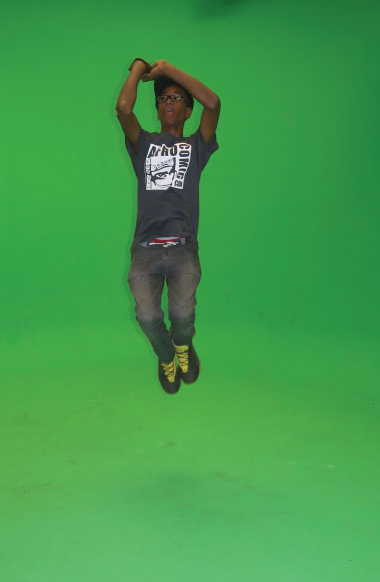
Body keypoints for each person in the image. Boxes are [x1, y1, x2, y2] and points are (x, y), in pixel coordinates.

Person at [116, 58, 220, 394]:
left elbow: (213, 103)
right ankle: (166, 358)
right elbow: (123, 108)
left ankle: (184, 347)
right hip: (145, 252)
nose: (168, 102)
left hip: (182, 249)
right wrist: (139, 67)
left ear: (188, 111)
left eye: (177, 98)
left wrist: (166, 70)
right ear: (158, 110)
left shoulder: (196, 146)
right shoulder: (143, 144)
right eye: (163, 98)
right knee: (147, 318)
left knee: (182, 317)